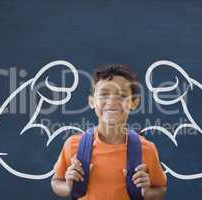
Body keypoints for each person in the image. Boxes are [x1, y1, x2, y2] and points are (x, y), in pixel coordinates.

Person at [51, 64, 167, 199]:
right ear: (92, 101)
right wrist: (68, 187)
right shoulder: (73, 145)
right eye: (104, 94)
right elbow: (56, 181)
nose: (112, 102)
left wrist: (147, 193)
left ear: (134, 103)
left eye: (122, 95)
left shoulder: (146, 149)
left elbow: (160, 188)